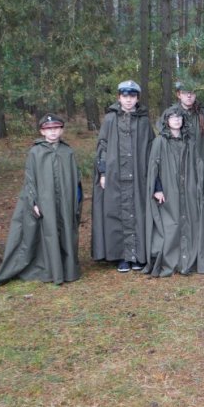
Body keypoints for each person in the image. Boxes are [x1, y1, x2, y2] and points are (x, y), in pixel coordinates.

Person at [0, 114, 83, 287]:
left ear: (61, 130)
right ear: (42, 131)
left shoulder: (67, 151)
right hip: (45, 201)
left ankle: (69, 269)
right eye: (49, 129)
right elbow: (30, 179)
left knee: (66, 230)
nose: (53, 132)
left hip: (65, 201)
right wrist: (33, 201)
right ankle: (52, 270)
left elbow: (75, 179)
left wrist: (76, 201)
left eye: (56, 128)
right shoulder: (35, 152)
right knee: (48, 234)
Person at [157, 80, 204, 247]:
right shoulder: (173, 114)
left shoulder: (202, 114)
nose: (189, 95)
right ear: (178, 94)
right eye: (184, 92)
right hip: (181, 167)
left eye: (191, 92)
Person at [145, 107, 204, 277]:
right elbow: (154, 168)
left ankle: (188, 261)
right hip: (169, 191)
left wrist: (198, 188)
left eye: (179, 117)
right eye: (172, 117)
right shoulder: (159, 142)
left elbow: (198, 166)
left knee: (190, 222)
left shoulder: (189, 142)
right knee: (172, 224)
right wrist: (157, 189)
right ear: (166, 120)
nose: (176, 120)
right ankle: (173, 261)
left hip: (189, 189)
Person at [91, 80, 153, 273]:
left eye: (132, 96)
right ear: (119, 97)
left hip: (139, 175)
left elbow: (150, 147)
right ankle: (122, 257)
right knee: (116, 212)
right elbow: (102, 145)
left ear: (137, 98)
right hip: (115, 175)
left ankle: (138, 255)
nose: (128, 100)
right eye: (125, 96)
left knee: (138, 212)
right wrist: (102, 172)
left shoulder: (143, 120)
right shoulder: (110, 119)